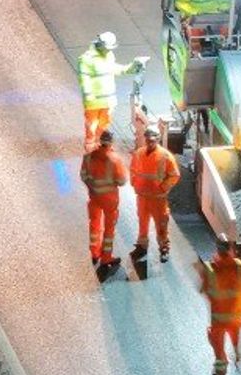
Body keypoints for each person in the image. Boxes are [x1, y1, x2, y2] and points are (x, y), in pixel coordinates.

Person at [200, 235, 241, 375]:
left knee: (217, 346)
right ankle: (237, 352)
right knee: (235, 332)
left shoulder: (210, 269)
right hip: (236, 317)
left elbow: (204, 290)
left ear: (217, 249)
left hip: (218, 320)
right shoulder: (240, 267)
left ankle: (221, 373)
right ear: (232, 249)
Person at [129, 126, 181, 266]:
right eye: (147, 140)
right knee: (142, 223)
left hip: (158, 199)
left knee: (161, 225)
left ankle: (164, 248)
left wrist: (163, 187)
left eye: (152, 140)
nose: (149, 143)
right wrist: (134, 183)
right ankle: (142, 246)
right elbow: (133, 169)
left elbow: (174, 175)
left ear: (157, 139)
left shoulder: (165, 156)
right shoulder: (139, 153)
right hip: (142, 197)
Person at [77, 31, 136, 150]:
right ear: (100, 45)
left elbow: (114, 69)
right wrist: (88, 94)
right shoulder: (87, 59)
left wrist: (130, 68)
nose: (108, 50)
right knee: (92, 125)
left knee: (103, 124)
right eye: (106, 48)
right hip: (94, 101)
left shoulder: (109, 55)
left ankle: (100, 144)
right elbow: (84, 78)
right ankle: (90, 146)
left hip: (108, 100)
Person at [81, 128, 130, 269]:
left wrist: (92, 187)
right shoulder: (115, 159)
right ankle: (106, 258)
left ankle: (94, 253)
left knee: (94, 225)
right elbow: (122, 181)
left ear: (100, 141)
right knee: (109, 229)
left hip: (94, 197)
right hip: (110, 200)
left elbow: (83, 176)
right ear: (111, 143)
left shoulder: (88, 157)